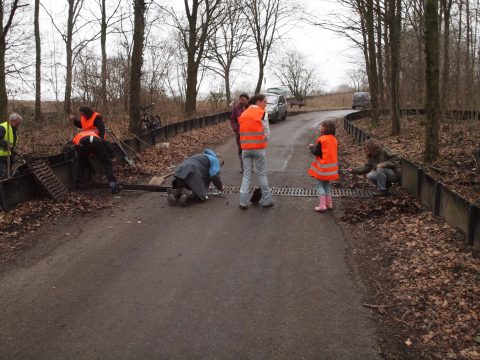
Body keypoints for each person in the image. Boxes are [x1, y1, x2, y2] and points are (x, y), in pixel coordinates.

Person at [238, 93, 273, 209]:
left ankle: (243, 202)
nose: (265, 105)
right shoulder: (262, 113)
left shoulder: (244, 113)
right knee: (262, 174)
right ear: (258, 101)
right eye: (264, 102)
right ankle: (267, 201)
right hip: (258, 148)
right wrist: (263, 140)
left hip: (245, 149)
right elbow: (267, 133)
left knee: (246, 175)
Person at [73, 130, 121, 194]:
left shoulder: (76, 138)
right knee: (107, 164)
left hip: (82, 144)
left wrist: (92, 171)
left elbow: (82, 158)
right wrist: (112, 156)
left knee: (80, 163)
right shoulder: (95, 135)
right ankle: (113, 186)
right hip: (96, 143)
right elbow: (107, 143)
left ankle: (79, 184)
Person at [307, 120, 339, 212]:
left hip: (322, 168)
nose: (321, 128)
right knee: (327, 185)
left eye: (322, 126)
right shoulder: (334, 139)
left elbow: (317, 153)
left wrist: (311, 147)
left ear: (326, 128)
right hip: (331, 169)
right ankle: (329, 204)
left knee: (319, 185)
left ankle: (322, 205)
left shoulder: (322, 139)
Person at [230, 93, 250, 173]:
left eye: (244, 100)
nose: (242, 102)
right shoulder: (236, 109)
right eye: (241, 100)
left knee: (248, 152)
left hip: (250, 134)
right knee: (241, 151)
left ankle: (248, 168)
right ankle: (243, 168)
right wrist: (236, 129)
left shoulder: (251, 108)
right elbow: (232, 120)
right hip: (240, 134)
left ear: (247, 100)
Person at [0, 113, 22, 181]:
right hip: (0, 157)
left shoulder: (14, 129)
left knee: (9, 175)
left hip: (8, 155)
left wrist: (13, 152)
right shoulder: (3, 127)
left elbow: (12, 143)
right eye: (17, 123)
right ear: (12, 121)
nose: (18, 124)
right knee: (3, 176)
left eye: (19, 123)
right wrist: (4, 143)